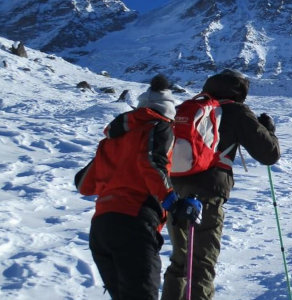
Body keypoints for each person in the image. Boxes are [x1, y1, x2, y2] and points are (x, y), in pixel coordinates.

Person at [75, 74, 202, 300]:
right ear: (169, 112)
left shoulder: (113, 138)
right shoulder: (160, 127)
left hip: (101, 227)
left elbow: (84, 184)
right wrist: (173, 202)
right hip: (135, 223)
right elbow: (152, 164)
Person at [162, 69, 281, 300]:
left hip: (174, 191)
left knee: (180, 261)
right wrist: (270, 131)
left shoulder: (191, 108)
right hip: (206, 194)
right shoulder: (236, 111)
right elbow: (269, 154)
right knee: (201, 265)